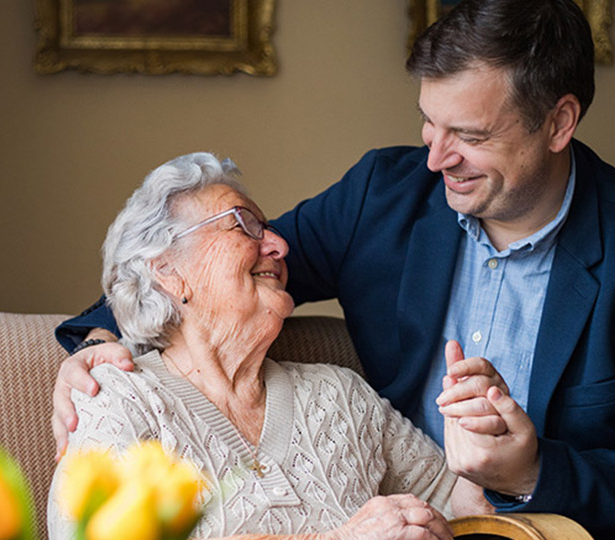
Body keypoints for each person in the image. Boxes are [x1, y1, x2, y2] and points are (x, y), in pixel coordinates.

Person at [52, 0, 615, 538]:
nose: (435, 159)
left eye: (468, 135)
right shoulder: (384, 195)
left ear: (558, 123)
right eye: (428, 125)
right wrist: (99, 343)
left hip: (570, 517)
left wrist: (534, 470)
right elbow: (222, 265)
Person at [47, 152, 466, 540]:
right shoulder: (119, 402)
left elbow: (457, 505)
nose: (280, 246)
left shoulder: (341, 394)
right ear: (169, 271)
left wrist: (511, 465)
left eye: (269, 230)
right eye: (245, 224)